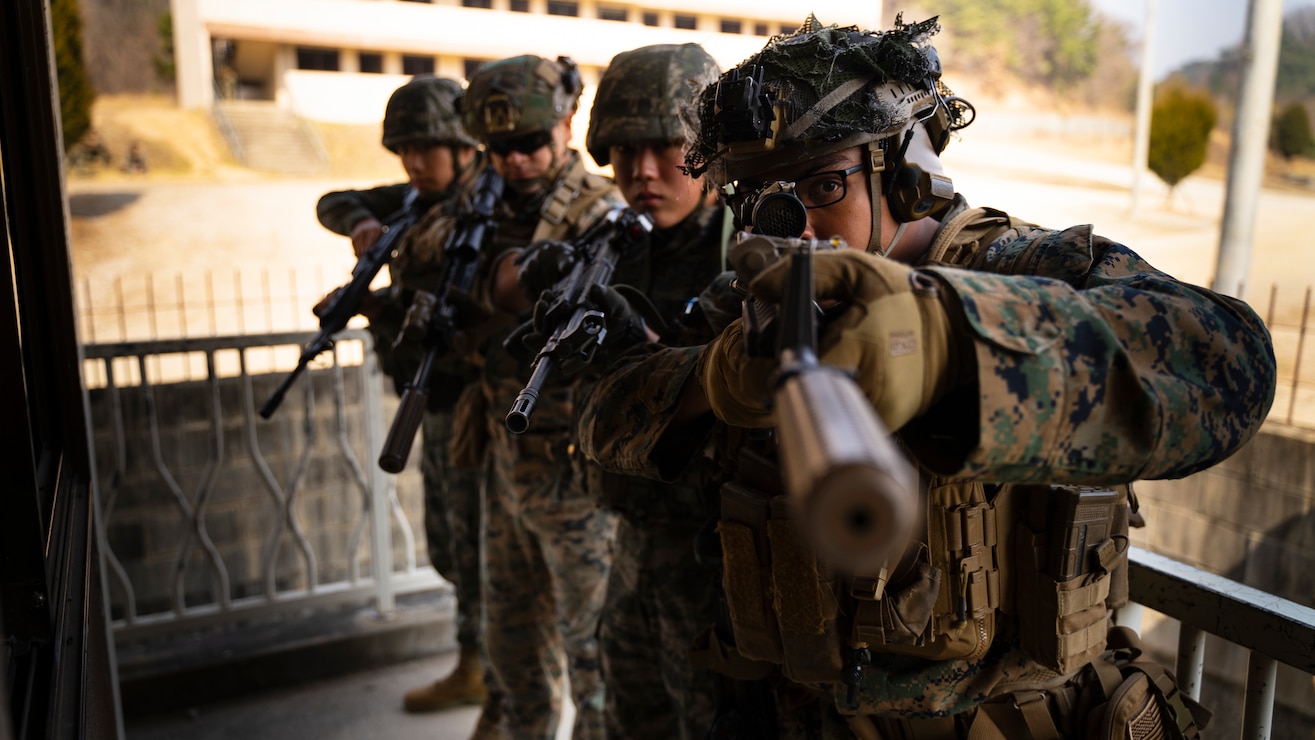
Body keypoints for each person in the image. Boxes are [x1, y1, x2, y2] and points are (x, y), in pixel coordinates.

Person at [575, 15, 1277, 739]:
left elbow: (1231, 364)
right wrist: (709, 380)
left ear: (905, 175)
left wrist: (947, 341)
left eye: (821, 184)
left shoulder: (1019, 268)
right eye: (758, 198)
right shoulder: (754, 300)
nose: (791, 224)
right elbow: (600, 410)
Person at [314, 75, 500, 728]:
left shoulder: (487, 208)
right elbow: (333, 200)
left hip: (480, 406)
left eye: (427, 148)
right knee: (450, 545)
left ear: (463, 145)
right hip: (431, 401)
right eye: (405, 150)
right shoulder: (410, 202)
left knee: (480, 546)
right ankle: (474, 662)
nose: (414, 164)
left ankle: (487, 669)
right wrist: (365, 223)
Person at [458, 53, 624, 740]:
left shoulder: (601, 213)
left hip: (572, 472)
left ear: (565, 126)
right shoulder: (481, 200)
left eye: (529, 144)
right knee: (512, 647)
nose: (516, 161)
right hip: (505, 459)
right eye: (499, 149)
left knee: (591, 656)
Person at [573, 42, 727, 739]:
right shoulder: (617, 247)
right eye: (623, 149)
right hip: (632, 540)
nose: (641, 171)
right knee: (630, 715)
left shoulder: (752, 248)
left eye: (666, 146)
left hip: (717, 557)